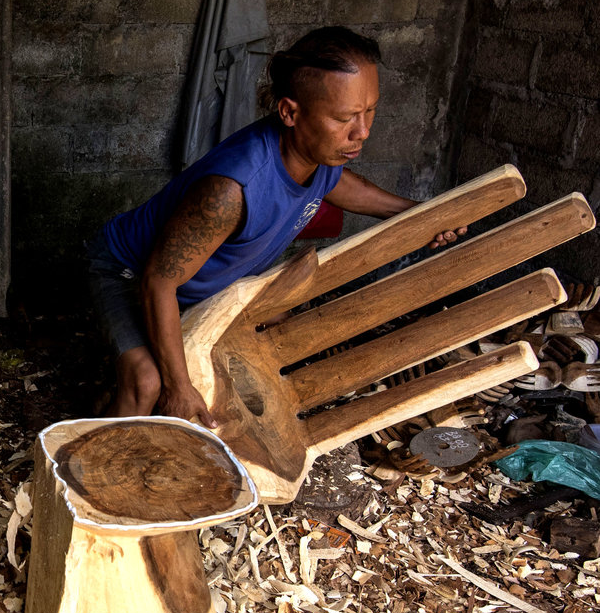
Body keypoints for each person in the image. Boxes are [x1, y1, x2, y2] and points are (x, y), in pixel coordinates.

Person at [86, 26, 466, 427]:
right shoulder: (231, 190)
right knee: (147, 383)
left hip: (201, 284)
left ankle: (121, 385)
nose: (362, 131)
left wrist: (419, 214)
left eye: (369, 110)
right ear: (289, 112)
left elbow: (344, 187)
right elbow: (157, 283)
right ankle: (94, 460)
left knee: (281, 333)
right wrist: (178, 389)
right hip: (128, 273)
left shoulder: (320, 156)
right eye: (343, 118)